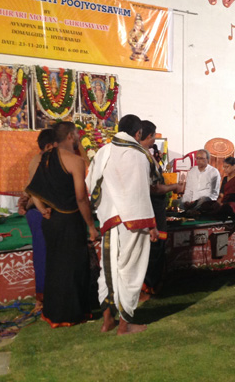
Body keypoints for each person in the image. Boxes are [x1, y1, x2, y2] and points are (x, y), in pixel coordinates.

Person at [86, 114, 158, 335]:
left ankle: (108, 321)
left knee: (108, 270)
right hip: (133, 222)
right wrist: (151, 224)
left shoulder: (103, 152)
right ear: (137, 134)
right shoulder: (138, 155)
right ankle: (124, 325)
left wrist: (105, 207)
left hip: (109, 220)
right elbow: (142, 192)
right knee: (130, 270)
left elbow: (91, 186)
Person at [26, 122, 98, 327]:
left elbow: (32, 188)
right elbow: (81, 198)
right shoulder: (75, 161)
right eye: (75, 134)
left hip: (50, 220)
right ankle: (72, 313)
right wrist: (91, 226)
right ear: (69, 136)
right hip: (70, 220)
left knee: (55, 265)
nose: (77, 138)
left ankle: (52, 312)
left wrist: (41, 209)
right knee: (74, 267)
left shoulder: (39, 159)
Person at [139, 120, 183, 296]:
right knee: (153, 250)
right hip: (152, 210)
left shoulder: (144, 155)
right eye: (153, 137)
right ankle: (147, 286)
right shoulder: (142, 156)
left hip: (153, 209)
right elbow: (153, 188)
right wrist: (175, 187)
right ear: (149, 136)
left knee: (154, 250)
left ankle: (152, 284)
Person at [17, 128, 57, 312]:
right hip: (41, 213)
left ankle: (47, 298)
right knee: (43, 256)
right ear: (49, 146)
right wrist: (36, 205)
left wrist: (25, 201)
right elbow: (36, 191)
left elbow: (29, 190)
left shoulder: (40, 159)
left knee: (45, 255)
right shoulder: (42, 161)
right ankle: (41, 301)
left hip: (38, 212)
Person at [200, 156, 235, 226]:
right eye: (224, 167)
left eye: (227, 167)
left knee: (229, 206)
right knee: (205, 204)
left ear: (234, 166)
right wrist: (219, 202)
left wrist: (225, 202)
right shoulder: (225, 179)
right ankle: (211, 212)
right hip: (226, 201)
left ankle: (208, 214)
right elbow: (222, 194)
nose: (224, 169)